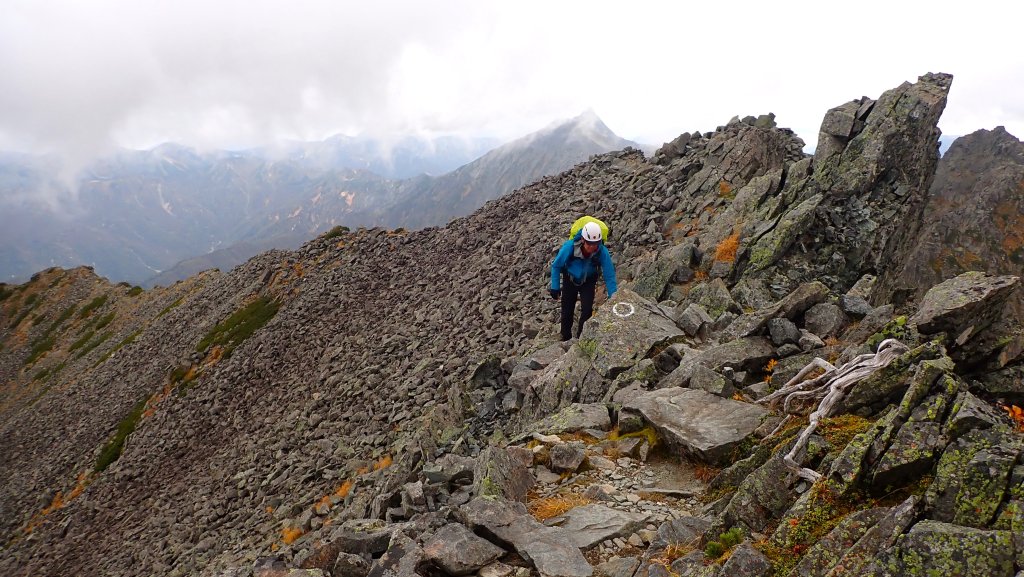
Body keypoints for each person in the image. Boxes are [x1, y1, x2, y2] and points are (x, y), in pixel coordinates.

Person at [549, 220, 617, 341]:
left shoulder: (601, 251)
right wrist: (555, 287)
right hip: (569, 279)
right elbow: (556, 265)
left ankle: (582, 338)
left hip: (588, 281)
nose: (592, 247)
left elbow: (609, 274)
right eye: (589, 243)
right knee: (567, 311)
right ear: (583, 240)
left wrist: (614, 296)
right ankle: (565, 337)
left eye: (595, 244)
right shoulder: (570, 247)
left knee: (587, 310)